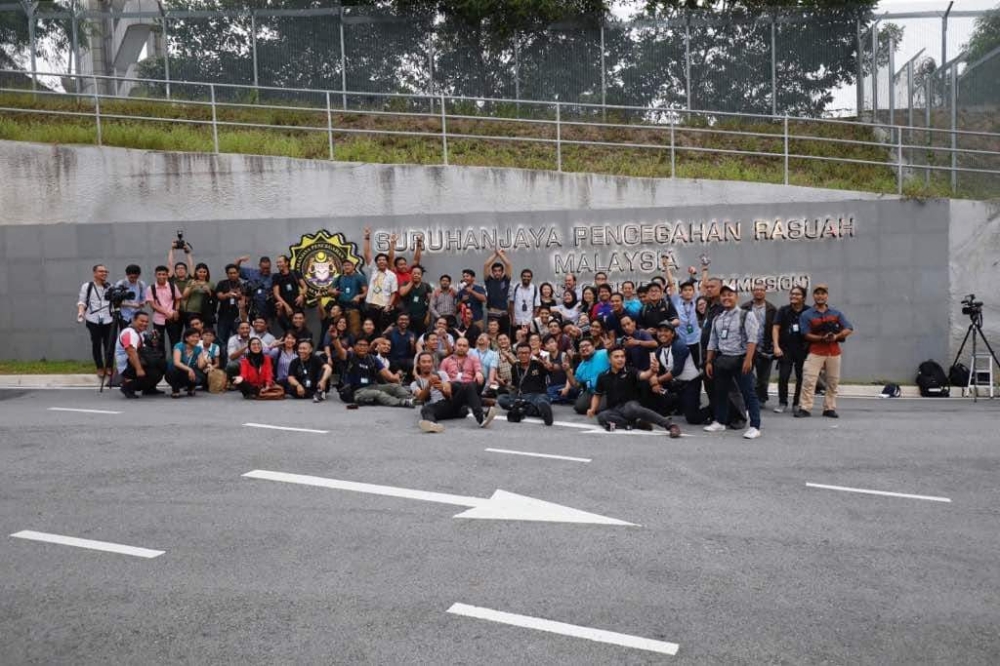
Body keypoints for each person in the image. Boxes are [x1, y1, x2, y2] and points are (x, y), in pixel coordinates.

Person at [704, 284, 762, 439]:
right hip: (723, 359)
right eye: (723, 295)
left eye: (730, 294)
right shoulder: (718, 318)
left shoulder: (745, 315)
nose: (726, 298)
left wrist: (748, 359)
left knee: (748, 393)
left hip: (741, 359)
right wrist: (709, 361)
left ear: (736, 296)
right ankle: (720, 421)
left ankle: (755, 426)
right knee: (721, 393)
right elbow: (712, 341)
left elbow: (752, 339)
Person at [588, 347, 682, 437]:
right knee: (602, 416)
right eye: (616, 357)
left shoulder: (630, 371)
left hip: (630, 405)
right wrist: (592, 409)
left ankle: (670, 425)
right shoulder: (603, 376)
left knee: (632, 408)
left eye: (622, 356)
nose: (620, 359)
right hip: (614, 409)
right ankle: (635, 424)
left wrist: (652, 371)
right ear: (609, 360)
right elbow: (597, 395)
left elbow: (644, 375)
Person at [796, 284, 854, 418]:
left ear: (827, 296)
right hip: (816, 351)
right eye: (817, 293)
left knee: (833, 382)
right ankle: (805, 408)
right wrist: (822, 338)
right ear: (813, 296)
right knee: (809, 380)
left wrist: (836, 336)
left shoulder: (836, 313)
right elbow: (805, 334)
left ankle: (829, 408)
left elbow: (849, 328)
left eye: (823, 293)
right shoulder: (807, 314)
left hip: (834, 352)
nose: (820, 296)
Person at [413, 352, 498, 433]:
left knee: (467, 386)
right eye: (424, 362)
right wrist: (428, 385)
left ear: (432, 363)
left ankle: (482, 418)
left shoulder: (441, 374)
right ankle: (432, 425)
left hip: (449, 404)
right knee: (425, 409)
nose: (427, 364)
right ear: (418, 364)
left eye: (429, 362)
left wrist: (442, 389)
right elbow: (420, 397)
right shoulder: (415, 383)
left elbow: (449, 393)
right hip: (435, 408)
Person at [331, 336, 413, 408]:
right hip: (355, 391)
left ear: (368, 347)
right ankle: (403, 402)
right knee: (377, 393)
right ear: (354, 346)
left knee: (395, 387)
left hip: (372, 386)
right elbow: (340, 350)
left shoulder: (373, 359)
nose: (362, 347)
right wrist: (335, 338)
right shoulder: (349, 356)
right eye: (360, 345)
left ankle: (412, 399)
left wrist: (398, 374)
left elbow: (390, 377)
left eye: (365, 345)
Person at [650, 322, 704, 424]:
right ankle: (676, 404)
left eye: (666, 331)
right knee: (648, 384)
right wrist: (655, 383)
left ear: (673, 334)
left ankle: (714, 409)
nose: (662, 333)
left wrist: (657, 380)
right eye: (660, 331)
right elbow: (655, 370)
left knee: (693, 418)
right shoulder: (659, 350)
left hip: (691, 383)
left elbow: (676, 371)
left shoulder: (679, 346)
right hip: (677, 384)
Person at [772, 286, 808, 414]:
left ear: (803, 297)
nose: (794, 296)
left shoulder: (808, 311)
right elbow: (775, 328)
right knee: (783, 376)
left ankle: (797, 403)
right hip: (785, 349)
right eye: (792, 294)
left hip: (803, 349)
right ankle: (782, 402)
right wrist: (776, 346)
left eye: (797, 294)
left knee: (801, 377)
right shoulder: (783, 310)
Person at [498, 343, 554, 426]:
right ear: (517, 354)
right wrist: (506, 386)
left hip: (537, 395)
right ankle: (531, 409)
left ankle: (526, 409)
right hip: (521, 397)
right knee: (501, 399)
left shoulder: (538, 364)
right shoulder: (515, 367)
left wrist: (550, 366)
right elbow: (515, 385)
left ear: (530, 353)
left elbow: (551, 369)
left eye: (526, 353)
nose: (523, 355)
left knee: (542, 400)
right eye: (520, 353)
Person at [741, 284, 777, 407]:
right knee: (746, 374)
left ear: (765, 292)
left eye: (761, 290)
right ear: (752, 291)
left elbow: (775, 328)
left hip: (765, 347)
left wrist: (774, 345)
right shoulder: (745, 307)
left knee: (763, 377)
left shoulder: (772, 308)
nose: (759, 292)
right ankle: (748, 397)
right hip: (748, 347)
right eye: (756, 289)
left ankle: (761, 399)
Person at [77, 264, 115, 380]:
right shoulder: (87, 286)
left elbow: (114, 303)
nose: (104, 273)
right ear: (94, 273)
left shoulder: (110, 286)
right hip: (93, 319)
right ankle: (99, 366)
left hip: (108, 319)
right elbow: (82, 301)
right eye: (101, 271)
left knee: (109, 344)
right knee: (96, 343)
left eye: (105, 271)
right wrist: (81, 313)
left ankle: (109, 366)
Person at [362, 228, 399, 331]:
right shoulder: (374, 270)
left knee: (383, 330)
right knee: (370, 330)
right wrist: (367, 237)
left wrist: (389, 305)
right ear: (376, 262)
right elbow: (367, 253)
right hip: (372, 307)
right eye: (379, 260)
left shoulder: (392, 275)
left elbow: (394, 293)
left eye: (384, 260)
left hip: (384, 308)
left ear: (387, 262)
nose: (381, 261)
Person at [115, 311, 155, 399]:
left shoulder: (141, 332)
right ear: (134, 320)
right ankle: (128, 387)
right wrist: (139, 369)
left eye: (147, 322)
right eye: (142, 321)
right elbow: (131, 352)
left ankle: (149, 388)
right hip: (127, 366)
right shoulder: (129, 333)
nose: (145, 323)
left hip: (135, 361)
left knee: (159, 365)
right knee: (154, 372)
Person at [145, 265, 183, 353]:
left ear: (167, 275)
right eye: (159, 274)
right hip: (158, 319)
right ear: (155, 275)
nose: (162, 276)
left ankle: (175, 363)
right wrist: (166, 312)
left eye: (164, 274)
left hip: (172, 318)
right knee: (159, 343)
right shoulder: (150, 288)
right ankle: (162, 364)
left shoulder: (173, 286)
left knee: (175, 342)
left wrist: (176, 310)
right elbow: (153, 305)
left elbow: (178, 299)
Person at [167, 327, 207, 397]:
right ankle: (175, 390)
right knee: (173, 369)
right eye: (193, 336)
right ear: (186, 338)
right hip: (177, 371)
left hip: (188, 374)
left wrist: (206, 361)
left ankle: (191, 387)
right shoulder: (179, 346)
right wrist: (189, 369)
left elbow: (200, 366)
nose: (195, 339)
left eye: (197, 337)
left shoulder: (198, 349)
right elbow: (177, 362)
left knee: (201, 377)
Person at [331, 259, 367, 337]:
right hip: (341, 309)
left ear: (353, 266)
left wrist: (359, 296)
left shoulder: (360, 277)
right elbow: (330, 290)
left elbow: (366, 292)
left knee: (354, 332)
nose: (346, 267)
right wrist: (333, 291)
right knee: (337, 330)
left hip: (353, 308)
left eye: (348, 265)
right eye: (344, 265)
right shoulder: (339, 277)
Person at [272, 255, 308, 332]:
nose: (278, 264)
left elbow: (305, 287)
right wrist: (286, 306)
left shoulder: (295, 273)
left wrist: (301, 296)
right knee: (288, 330)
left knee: (300, 329)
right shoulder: (276, 276)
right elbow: (276, 294)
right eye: (277, 262)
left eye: (280, 262)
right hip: (285, 309)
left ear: (287, 263)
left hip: (297, 307)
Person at [235, 255, 274, 325]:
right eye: (263, 268)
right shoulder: (252, 273)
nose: (265, 270)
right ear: (259, 265)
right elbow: (236, 270)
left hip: (267, 310)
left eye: (267, 268)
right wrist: (239, 260)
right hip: (252, 308)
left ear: (270, 266)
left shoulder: (273, 277)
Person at [214, 264, 246, 347]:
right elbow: (219, 296)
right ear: (227, 274)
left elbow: (244, 301)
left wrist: (240, 297)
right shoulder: (222, 283)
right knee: (221, 339)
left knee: (240, 339)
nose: (232, 275)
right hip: (223, 316)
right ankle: (221, 359)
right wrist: (227, 295)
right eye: (230, 273)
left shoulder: (243, 285)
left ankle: (240, 358)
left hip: (237, 317)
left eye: (234, 273)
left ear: (238, 273)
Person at [483, 250, 512, 334]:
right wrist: (496, 254)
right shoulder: (488, 280)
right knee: (492, 335)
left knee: (505, 335)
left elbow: (508, 264)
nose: (497, 273)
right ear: (492, 272)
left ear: (502, 272)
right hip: (493, 312)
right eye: (495, 271)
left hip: (504, 313)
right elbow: (486, 265)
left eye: (499, 271)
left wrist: (501, 254)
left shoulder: (506, 280)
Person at [398, 264, 432, 334]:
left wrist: (428, 316)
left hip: (422, 317)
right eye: (414, 273)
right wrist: (411, 282)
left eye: (418, 274)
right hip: (408, 317)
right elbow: (402, 293)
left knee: (421, 335)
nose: (416, 275)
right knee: (408, 335)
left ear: (421, 275)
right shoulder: (405, 284)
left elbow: (430, 302)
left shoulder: (426, 286)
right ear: (411, 274)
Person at [384, 312, 416, 380]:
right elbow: (385, 348)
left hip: (405, 360)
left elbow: (412, 353)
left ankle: (408, 382)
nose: (404, 321)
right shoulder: (391, 332)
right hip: (392, 359)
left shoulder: (411, 334)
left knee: (412, 363)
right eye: (401, 319)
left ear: (408, 321)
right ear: (397, 321)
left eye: (406, 319)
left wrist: (412, 345)